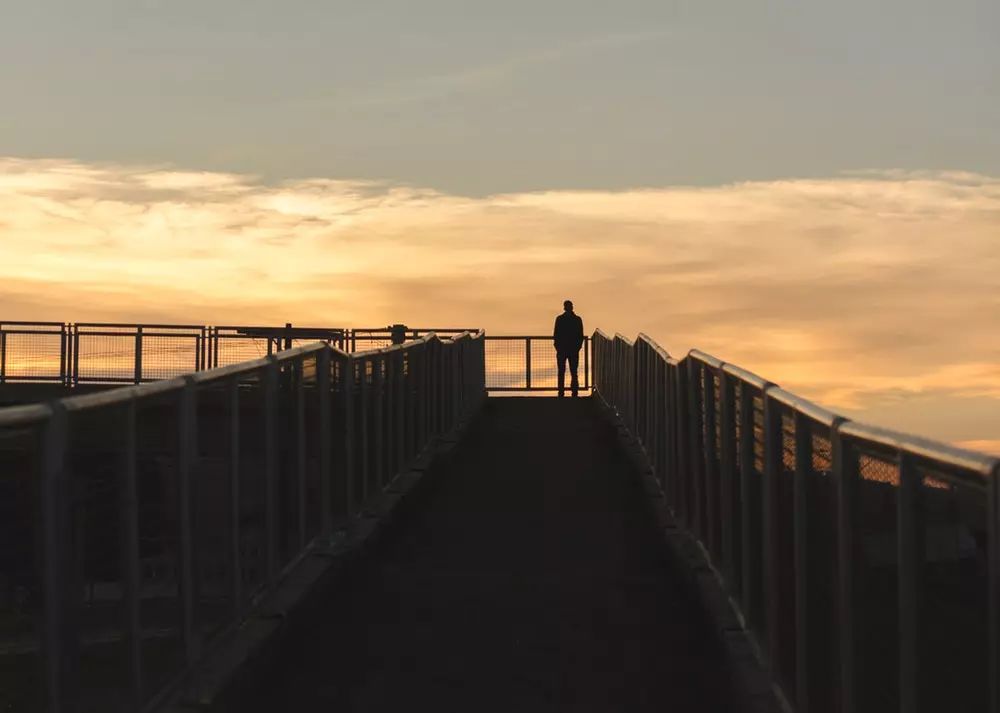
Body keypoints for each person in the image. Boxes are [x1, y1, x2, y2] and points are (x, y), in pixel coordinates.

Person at [553, 300, 584, 398]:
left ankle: (563, 393)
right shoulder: (577, 319)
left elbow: (556, 334)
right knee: (572, 371)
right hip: (570, 349)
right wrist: (577, 347)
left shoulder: (560, 319)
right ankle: (573, 393)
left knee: (566, 371)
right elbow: (580, 335)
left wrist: (558, 346)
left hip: (566, 349)